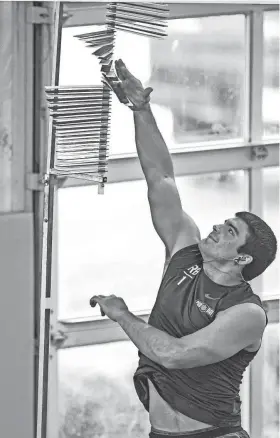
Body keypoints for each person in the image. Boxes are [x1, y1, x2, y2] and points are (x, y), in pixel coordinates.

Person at [91, 59, 277, 438]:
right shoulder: (183, 249)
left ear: (242, 258)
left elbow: (177, 355)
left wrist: (123, 316)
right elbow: (160, 177)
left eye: (229, 231)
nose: (215, 228)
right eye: (223, 223)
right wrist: (141, 110)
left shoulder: (247, 313)